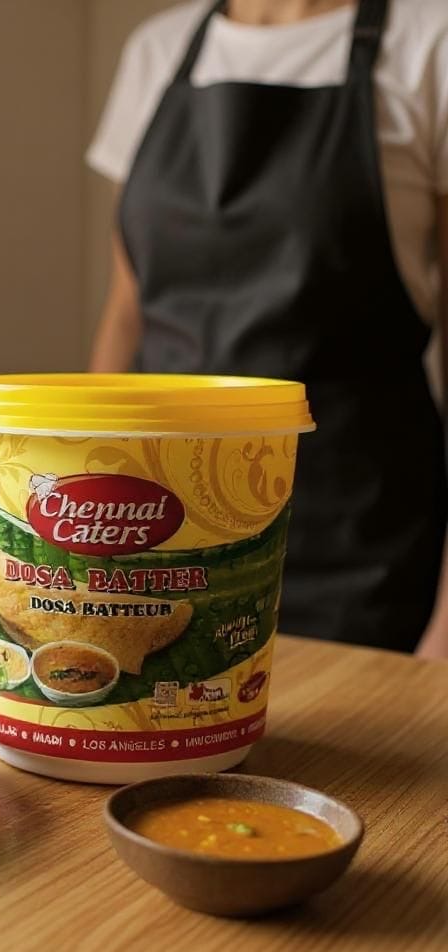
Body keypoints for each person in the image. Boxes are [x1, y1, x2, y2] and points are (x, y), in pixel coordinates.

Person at [87, 0, 448, 655]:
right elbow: (127, 310)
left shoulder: (431, 43)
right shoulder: (159, 49)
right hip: (154, 531)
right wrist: (81, 520)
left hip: (355, 543)